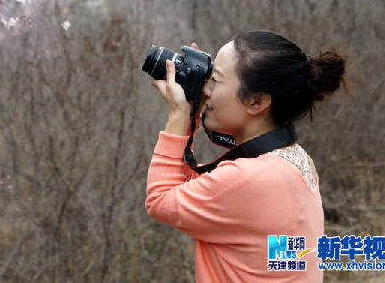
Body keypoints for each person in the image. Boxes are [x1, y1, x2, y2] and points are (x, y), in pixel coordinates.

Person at [145, 30, 346, 282]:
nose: (205, 89)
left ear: (256, 101)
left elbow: (160, 199)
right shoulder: (294, 161)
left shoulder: (249, 179)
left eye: (215, 80)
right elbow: (191, 191)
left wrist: (178, 115)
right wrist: (192, 113)